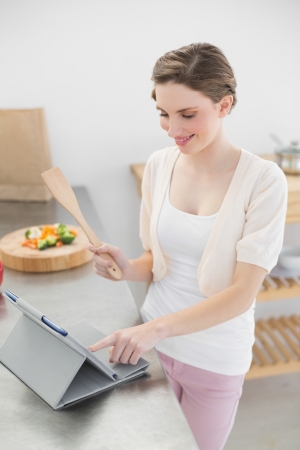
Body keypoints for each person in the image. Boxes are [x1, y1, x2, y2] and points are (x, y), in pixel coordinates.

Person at [87, 43, 287, 450]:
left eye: (187, 114)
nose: (173, 128)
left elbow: (240, 294)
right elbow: (158, 261)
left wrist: (152, 330)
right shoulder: (160, 165)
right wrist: (128, 267)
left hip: (212, 359)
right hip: (151, 353)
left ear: (224, 105)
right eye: (163, 113)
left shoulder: (264, 181)